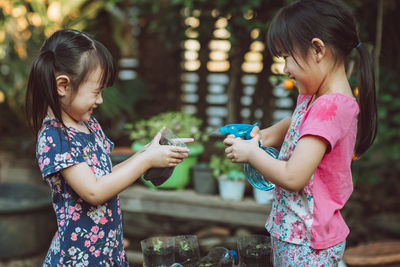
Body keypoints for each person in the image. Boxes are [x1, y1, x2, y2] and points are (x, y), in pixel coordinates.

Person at [223, 0, 377, 266]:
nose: (285, 69)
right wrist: (262, 138)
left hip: (307, 245)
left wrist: (250, 154)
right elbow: (294, 123)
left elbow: (293, 176)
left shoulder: (329, 106)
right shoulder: (316, 99)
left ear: (318, 49)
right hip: (295, 236)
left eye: (286, 57)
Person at [25, 29, 193, 266]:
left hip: (107, 252)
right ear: (62, 85)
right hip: (79, 258)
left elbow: (106, 176)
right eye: (96, 91)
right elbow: (94, 191)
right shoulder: (54, 137)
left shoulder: (88, 124)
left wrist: (147, 153)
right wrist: (145, 161)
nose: (101, 100)